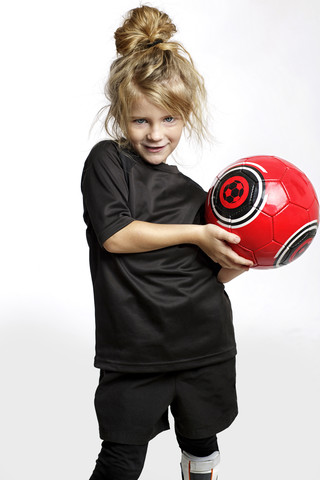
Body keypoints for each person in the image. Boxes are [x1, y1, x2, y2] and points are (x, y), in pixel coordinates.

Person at [81, 5, 253, 480]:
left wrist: (240, 260)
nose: (156, 134)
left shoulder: (200, 197)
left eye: (169, 120)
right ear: (121, 114)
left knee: (201, 443)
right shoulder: (107, 164)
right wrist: (198, 233)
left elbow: (210, 275)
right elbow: (116, 236)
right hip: (135, 350)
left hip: (204, 343)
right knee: (121, 457)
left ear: (186, 116)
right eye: (141, 121)